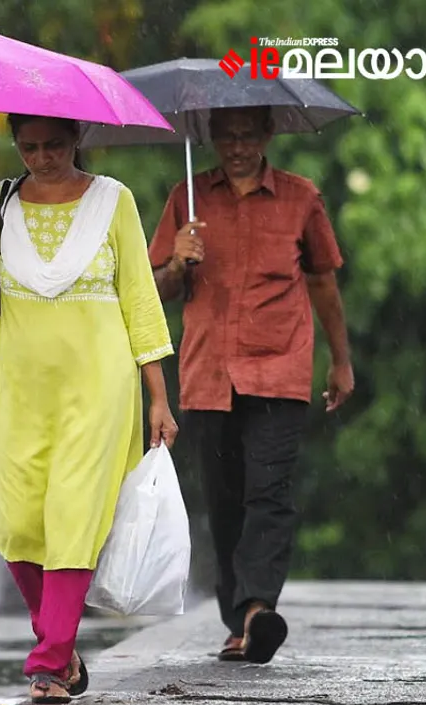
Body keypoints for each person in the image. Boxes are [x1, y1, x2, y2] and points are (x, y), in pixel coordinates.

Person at [0, 113, 178, 704]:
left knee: (73, 517)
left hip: (100, 383)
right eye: (29, 147)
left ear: (77, 140)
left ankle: (48, 665)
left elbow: (140, 300)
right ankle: (62, 648)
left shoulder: (113, 200)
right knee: (20, 522)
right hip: (24, 386)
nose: (42, 157)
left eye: (54, 145)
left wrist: (157, 395)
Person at [147, 105, 355, 665]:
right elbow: (152, 289)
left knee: (269, 494)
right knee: (224, 501)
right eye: (226, 135)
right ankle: (239, 621)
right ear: (210, 136)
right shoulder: (185, 200)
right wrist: (178, 264)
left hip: (279, 369)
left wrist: (341, 360)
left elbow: (323, 280)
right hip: (208, 373)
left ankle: (258, 609)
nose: (236, 146)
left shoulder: (300, 198)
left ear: (268, 134)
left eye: (247, 135)